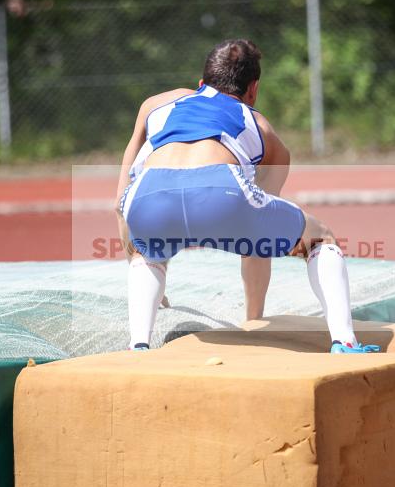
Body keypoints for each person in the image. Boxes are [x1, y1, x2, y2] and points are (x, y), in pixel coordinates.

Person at [114, 39, 379, 354]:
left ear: (201, 83)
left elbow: (120, 204)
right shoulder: (265, 131)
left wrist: (136, 256)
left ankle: (138, 345)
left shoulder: (155, 104)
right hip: (220, 191)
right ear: (253, 89)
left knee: (147, 251)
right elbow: (257, 243)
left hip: (147, 193)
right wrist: (254, 323)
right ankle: (345, 342)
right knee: (320, 238)